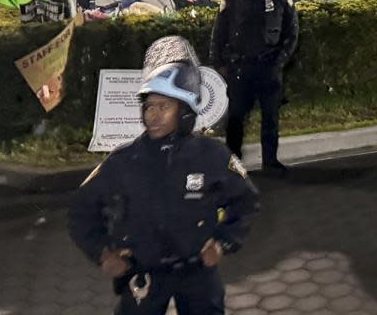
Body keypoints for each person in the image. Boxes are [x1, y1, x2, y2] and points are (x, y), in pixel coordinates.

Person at [68, 39, 259, 314]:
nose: (153, 116)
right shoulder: (123, 161)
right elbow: (80, 210)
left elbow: (246, 201)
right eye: (149, 107)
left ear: (184, 112)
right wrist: (102, 253)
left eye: (164, 106)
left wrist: (223, 242)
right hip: (143, 272)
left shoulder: (212, 155)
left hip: (197, 272)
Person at [209, 0, 299, 175]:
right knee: (236, 118)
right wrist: (219, 65)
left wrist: (279, 62)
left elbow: (291, 33)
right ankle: (233, 163)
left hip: (269, 69)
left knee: (270, 118)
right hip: (241, 69)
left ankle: (270, 161)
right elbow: (218, 36)